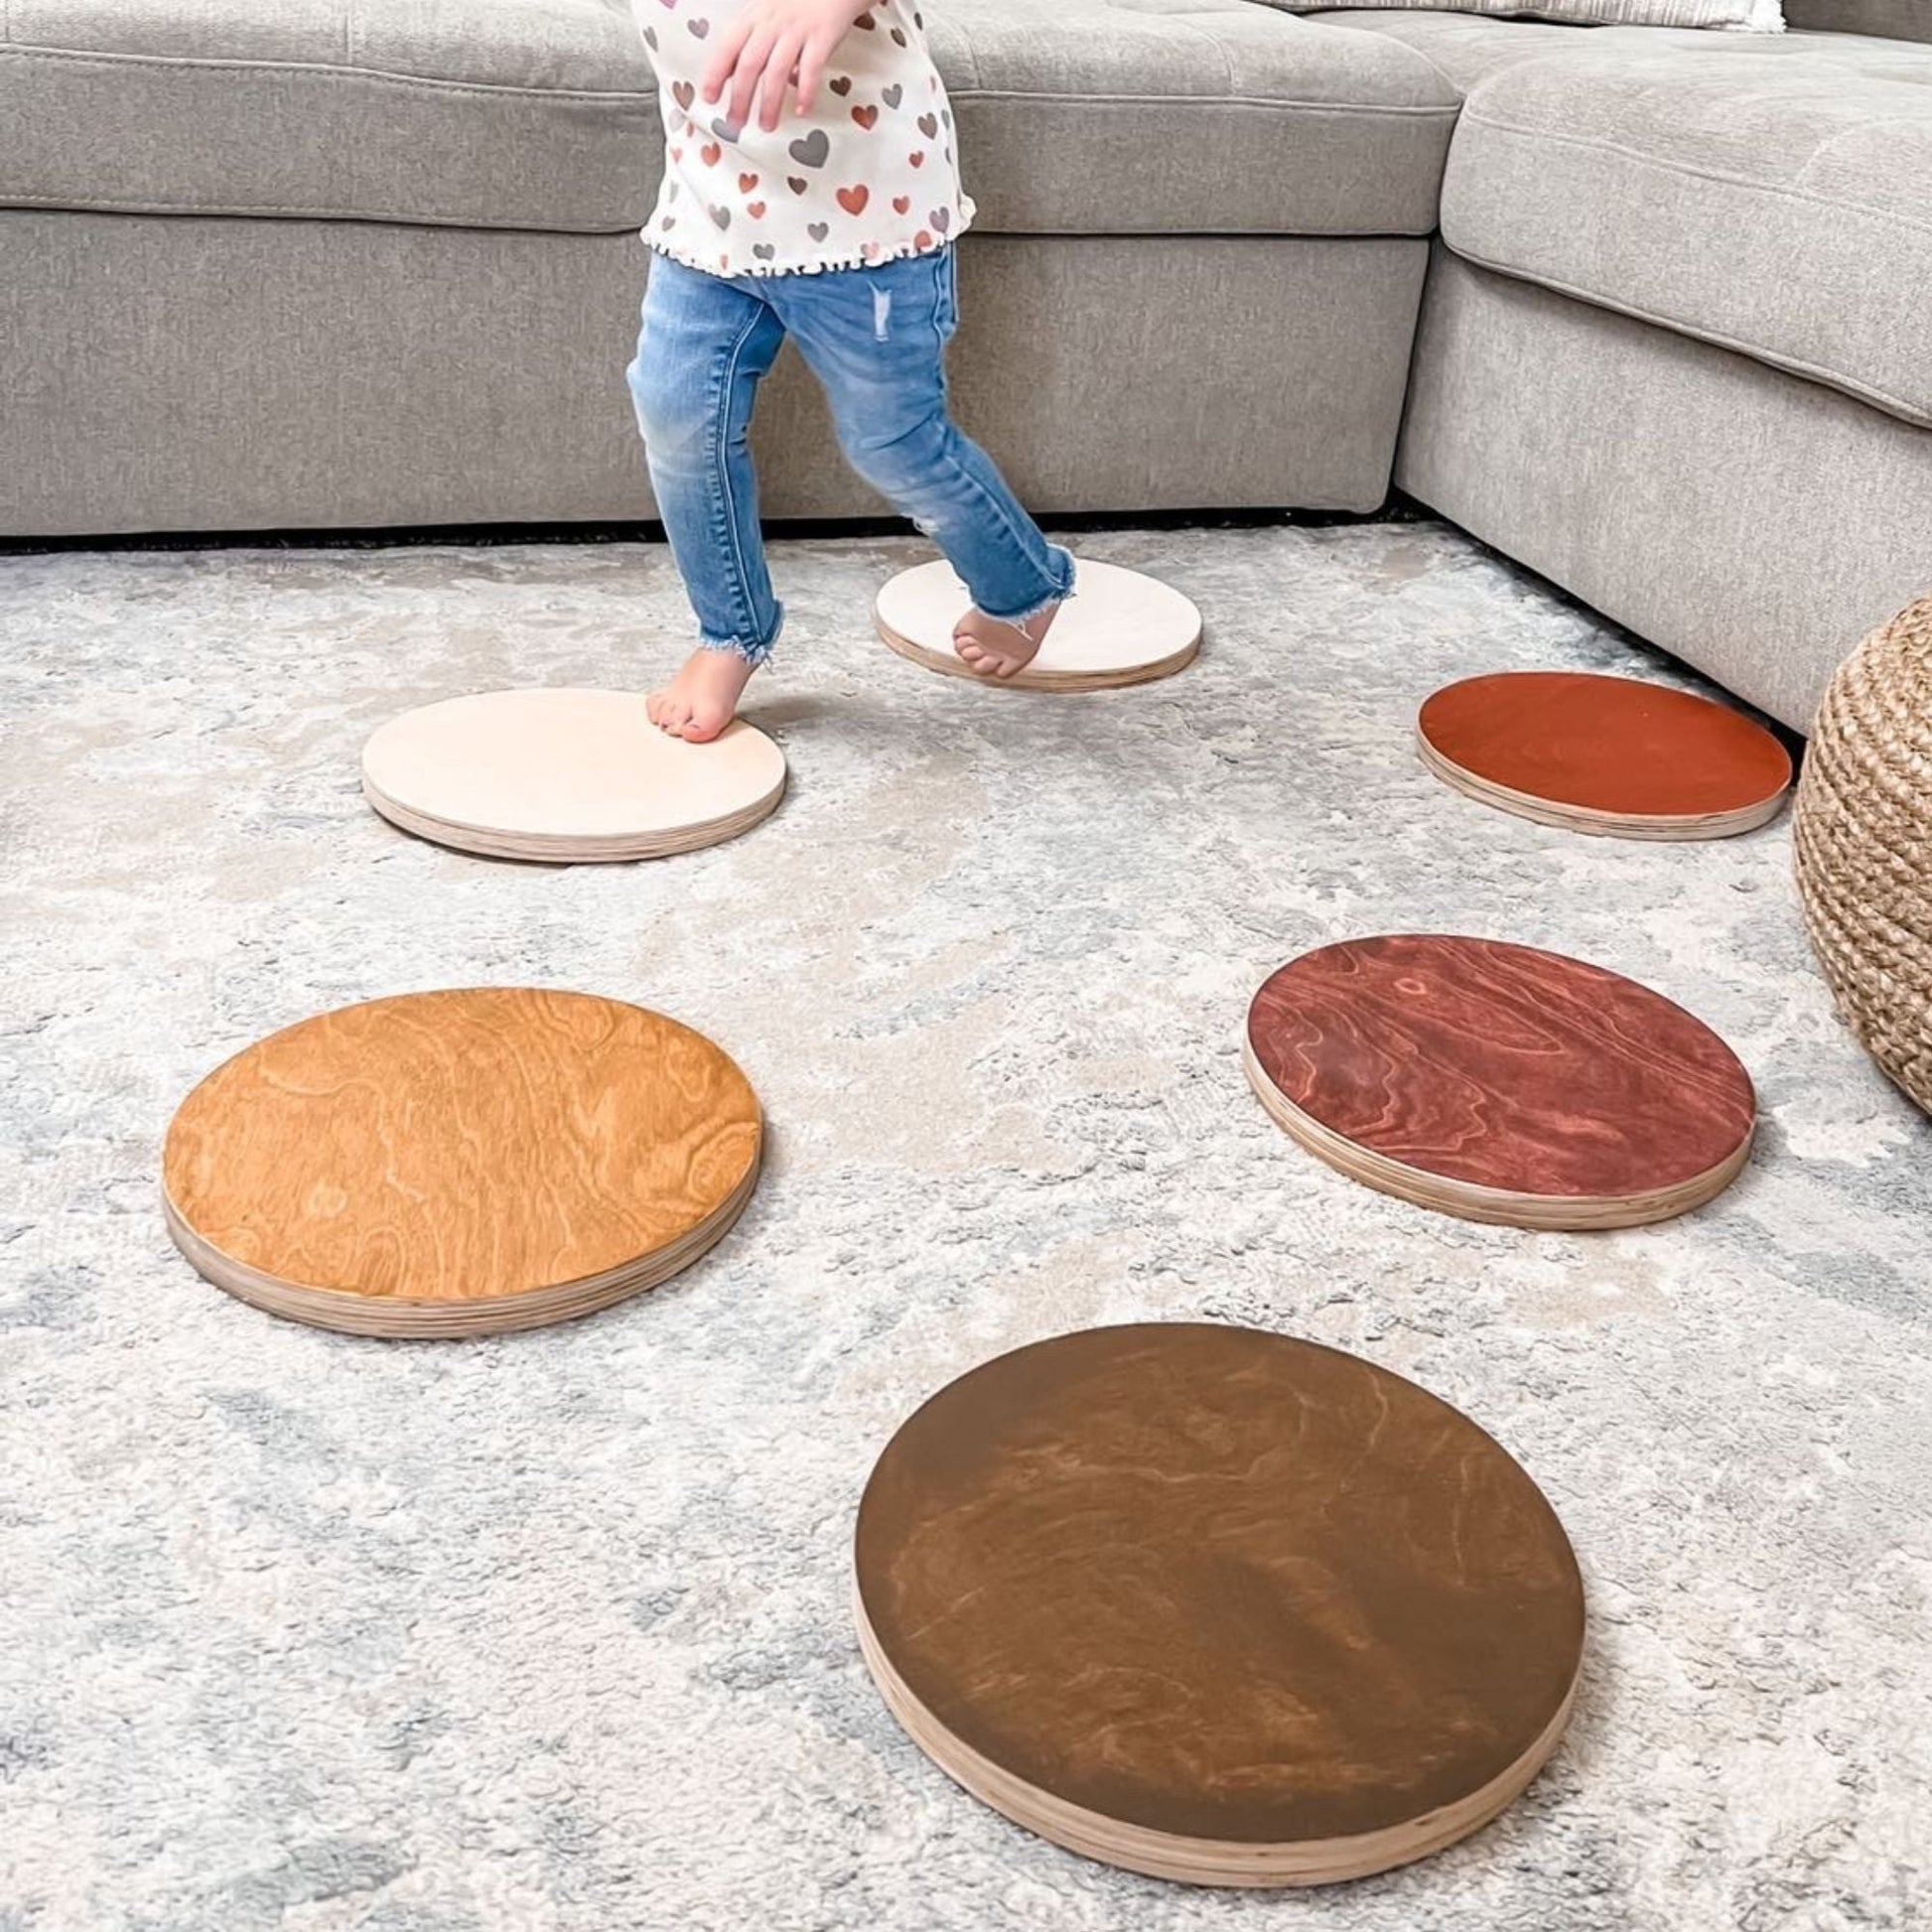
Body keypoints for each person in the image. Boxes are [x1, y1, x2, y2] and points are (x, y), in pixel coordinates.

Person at [628, 0, 1073, 741]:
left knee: (892, 441)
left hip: (866, 217)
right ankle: (730, 632)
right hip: (712, 204)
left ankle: (1023, 588)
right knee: (676, 415)